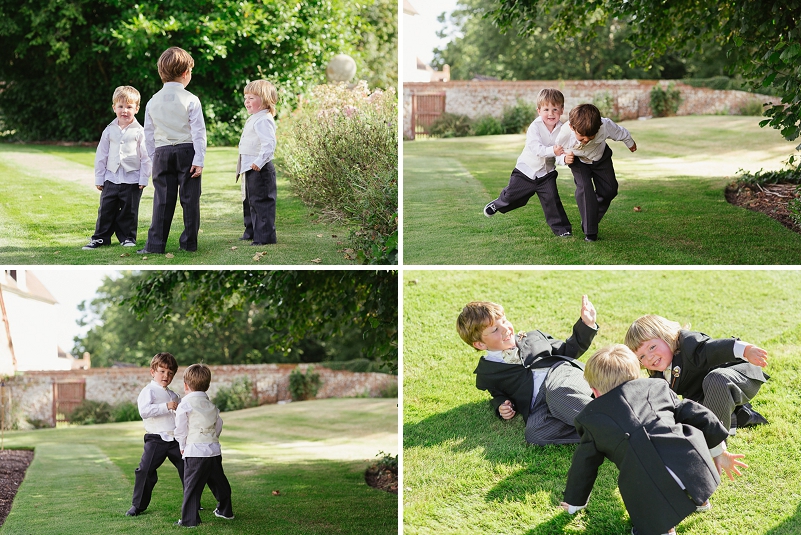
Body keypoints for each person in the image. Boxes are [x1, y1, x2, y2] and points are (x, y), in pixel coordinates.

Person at [560, 344, 747, 535]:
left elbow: (584, 465)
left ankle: (664, 528)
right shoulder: (657, 386)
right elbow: (698, 413)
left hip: (648, 481)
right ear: (636, 375)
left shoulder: (590, 418)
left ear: (595, 392)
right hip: (692, 466)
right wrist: (718, 451)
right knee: (681, 441)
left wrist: (576, 501)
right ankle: (700, 500)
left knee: (642, 478)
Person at [456, 296, 598, 445]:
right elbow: (498, 394)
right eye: (495, 329)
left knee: (557, 392)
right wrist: (501, 406)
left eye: (504, 321)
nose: (506, 329)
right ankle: (597, 429)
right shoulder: (487, 373)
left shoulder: (533, 337)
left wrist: (587, 325)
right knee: (535, 433)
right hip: (540, 403)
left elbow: (568, 350)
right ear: (480, 344)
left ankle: (612, 424)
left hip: (561, 375)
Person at [624, 314, 769, 434]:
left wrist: (745, 350)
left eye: (652, 347)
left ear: (666, 336)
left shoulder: (689, 344)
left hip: (739, 376)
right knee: (689, 415)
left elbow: (713, 349)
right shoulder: (658, 374)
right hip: (709, 393)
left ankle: (717, 440)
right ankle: (739, 416)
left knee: (716, 379)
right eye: (641, 357)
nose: (649, 357)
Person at [139, 46, 207, 254]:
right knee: (190, 199)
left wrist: (153, 157)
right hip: (187, 152)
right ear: (186, 73)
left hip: (162, 153)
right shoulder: (191, 99)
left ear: (161, 73)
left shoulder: (152, 101)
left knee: (162, 200)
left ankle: (155, 245)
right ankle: (189, 243)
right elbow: (198, 132)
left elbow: (148, 134)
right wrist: (199, 159)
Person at [483, 88, 573, 237]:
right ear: (539, 110)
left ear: (562, 110)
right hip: (526, 170)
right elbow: (537, 149)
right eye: (546, 109)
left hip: (547, 174)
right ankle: (497, 204)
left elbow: (562, 152)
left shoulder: (563, 130)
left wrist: (564, 158)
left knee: (552, 201)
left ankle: (562, 230)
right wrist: (553, 151)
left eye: (555, 109)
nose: (551, 113)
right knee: (512, 196)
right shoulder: (534, 127)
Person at [554, 103, 637, 241]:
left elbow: (621, 132)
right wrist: (563, 158)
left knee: (610, 189)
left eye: (591, 137)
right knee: (585, 189)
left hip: (600, 158)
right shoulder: (564, 133)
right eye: (582, 137)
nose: (586, 140)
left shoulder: (604, 125)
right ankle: (590, 232)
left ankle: (590, 216)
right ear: (572, 127)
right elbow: (557, 153)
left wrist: (630, 143)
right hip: (578, 161)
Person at [83, 86, 151, 250]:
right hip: (111, 178)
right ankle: (100, 238)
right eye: (120, 106)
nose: (124, 110)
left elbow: (146, 158)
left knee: (129, 210)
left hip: (132, 179)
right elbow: (101, 155)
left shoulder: (140, 132)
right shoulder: (108, 131)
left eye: (129, 107)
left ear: (136, 108)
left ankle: (127, 237)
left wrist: (143, 178)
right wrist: (99, 178)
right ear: (114, 108)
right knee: (106, 209)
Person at [174, 364, 234, 527]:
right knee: (219, 482)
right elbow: (218, 425)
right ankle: (225, 510)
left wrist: (182, 445)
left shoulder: (185, 405)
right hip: (213, 450)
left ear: (186, 385)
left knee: (192, 486)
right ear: (207, 386)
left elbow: (180, 429)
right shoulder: (212, 406)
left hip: (194, 451)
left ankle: (189, 520)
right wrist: (212, 439)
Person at [126, 352, 184, 516]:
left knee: (188, 467)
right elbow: (144, 412)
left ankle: (193, 500)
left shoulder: (174, 395)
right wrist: (166, 406)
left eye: (170, 373)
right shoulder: (148, 391)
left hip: (175, 440)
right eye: (162, 371)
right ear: (153, 372)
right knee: (145, 470)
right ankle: (138, 505)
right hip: (156, 439)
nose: (166, 376)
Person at [235, 79, 278, 245]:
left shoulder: (264, 119)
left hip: (260, 168)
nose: (247, 101)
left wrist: (259, 162)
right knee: (249, 200)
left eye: (251, 98)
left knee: (261, 202)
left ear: (265, 99)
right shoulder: (254, 118)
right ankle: (251, 230)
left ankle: (265, 237)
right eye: (246, 98)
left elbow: (269, 144)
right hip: (249, 167)